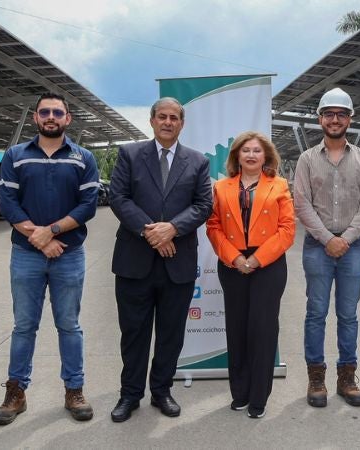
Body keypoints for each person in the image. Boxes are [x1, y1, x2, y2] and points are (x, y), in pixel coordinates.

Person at [0, 92, 99, 425]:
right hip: (26, 254)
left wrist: (50, 231)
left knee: (69, 325)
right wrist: (38, 239)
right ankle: (16, 393)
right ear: (35, 117)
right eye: (44, 112)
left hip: (68, 255)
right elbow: (8, 201)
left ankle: (74, 389)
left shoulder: (84, 158)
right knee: (24, 326)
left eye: (57, 112)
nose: (50, 116)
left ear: (68, 118)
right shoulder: (16, 155)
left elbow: (88, 206)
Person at [108, 97, 212, 422]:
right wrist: (151, 232)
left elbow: (203, 204)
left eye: (174, 118)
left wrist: (172, 229)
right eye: (162, 117)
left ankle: (162, 391)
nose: (168, 122)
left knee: (171, 333)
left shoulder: (197, 161)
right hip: (134, 262)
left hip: (177, 265)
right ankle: (130, 395)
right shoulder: (129, 154)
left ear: (182, 124)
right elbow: (118, 197)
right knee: (134, 332)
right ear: (152, 121)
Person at [293, 87, 360, 408]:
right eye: (329, 114)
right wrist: (328, 239)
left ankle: (346, 378)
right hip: (317, 246)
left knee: (348, 314)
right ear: (320, 119)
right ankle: (317, 378)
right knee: (316, 313)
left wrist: (347, 238)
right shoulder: (306, 160)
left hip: (353, 247)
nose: (335, 119)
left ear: (350, 119)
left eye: (341, 114)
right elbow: (302, 204)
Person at [206, 131, 295, 419]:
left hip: (267, 264)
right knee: (237, 328)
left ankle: (259, 396)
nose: (252, 155)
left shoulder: (279, 185)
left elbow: (287, 230)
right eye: (246, 150)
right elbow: (213, 226)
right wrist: (235, 258)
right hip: (233, 264)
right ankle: (240, 393)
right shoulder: (221, 187)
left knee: (263, 329)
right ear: (237, 156)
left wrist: (256, 259)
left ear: (266, 156)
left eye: (257, 150)